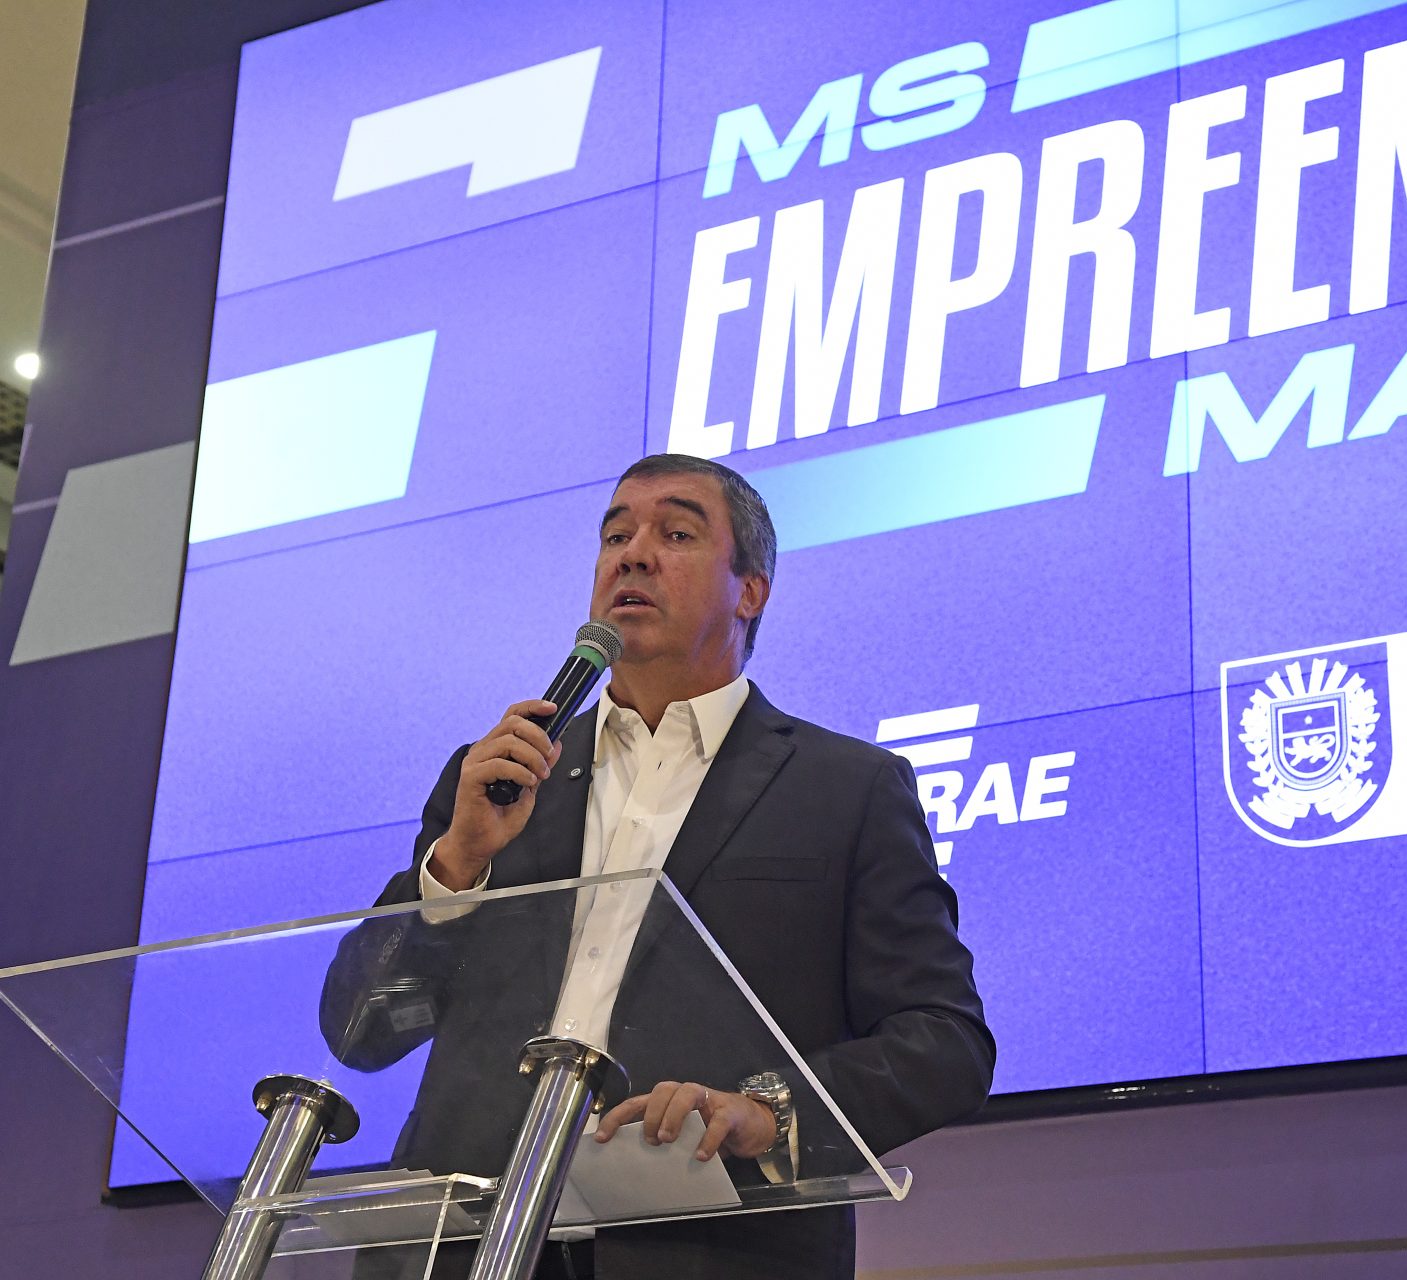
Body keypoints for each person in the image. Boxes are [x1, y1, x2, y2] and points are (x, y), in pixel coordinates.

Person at [320, 454, 994, 1278]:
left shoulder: (848, 789)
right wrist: (457, 864)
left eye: (675, 534)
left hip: (704, 1250)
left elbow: (943, 1041)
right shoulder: (500, 778)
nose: (633, 555)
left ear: (750, 591)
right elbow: (358, 1034)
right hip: (463, 1249)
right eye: (615, 536)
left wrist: (769, 1112)